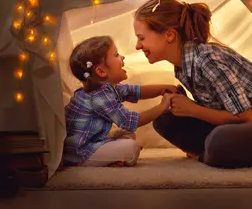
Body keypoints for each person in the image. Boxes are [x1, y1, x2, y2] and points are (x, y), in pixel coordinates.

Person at [133, 0, 252, 168]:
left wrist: (193, 109)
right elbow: (218, 110)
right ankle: (210, 154)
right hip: (243, 129)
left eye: (141, 38)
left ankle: (208, 155)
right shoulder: (182, 67)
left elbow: (245, 118)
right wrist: (183, 105)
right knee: (164, 120)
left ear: (169, 35)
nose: (137, 46)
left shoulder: (208, 59)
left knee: (219, 141)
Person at [63, 35, 176, 167]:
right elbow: (129, 121)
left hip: (93, 142)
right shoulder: (98, 96)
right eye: (116, 55)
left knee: (127, 134)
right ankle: (112, 159)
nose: (122, 57)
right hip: (81, 153)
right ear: (100, 71)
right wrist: (163, 106)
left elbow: (136, 91)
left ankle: (114, 158)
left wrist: (163, 88)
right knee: (131, 148)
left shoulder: (107, 88)